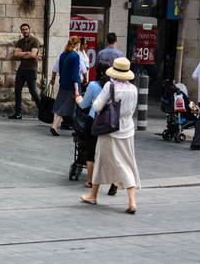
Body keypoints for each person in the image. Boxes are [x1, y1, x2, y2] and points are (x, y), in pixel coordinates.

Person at [80, 57, 141, 214]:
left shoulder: (110, 86)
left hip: (109, 129)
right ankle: (132, 200)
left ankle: (93, 195)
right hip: (127, 129)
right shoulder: (133, 89)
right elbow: (133, 109)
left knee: (100, 159)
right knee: (127, 162)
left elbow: (97, 106)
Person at [75, 59, 111, 189]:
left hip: (93, 120)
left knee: (91, 150)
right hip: (108, 122)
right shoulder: (113, 85)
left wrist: (79, 99)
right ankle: (113, 182)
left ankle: (90, 181)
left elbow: (84, 105)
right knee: (109, 152)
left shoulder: (93, 85)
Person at [50, 37, 87, 130]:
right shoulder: (76, 56)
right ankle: (75, 129)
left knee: (64, 105)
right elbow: (75, 74)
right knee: (76, 107)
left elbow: (57, 68)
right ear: (78, 44)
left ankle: (55, 126)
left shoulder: (63, 54)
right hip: (73, 86)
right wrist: (77, 89)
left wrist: (54, 78)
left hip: (63, 84)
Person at [8, 24, 41, 119]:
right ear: (21, 31)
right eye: (23, 30)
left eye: (26, 29)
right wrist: (27, 53)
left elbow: (33, 54)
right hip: (21, 69)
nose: (25, 31)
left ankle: (42, 111)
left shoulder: (35, 41)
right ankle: (18, 113)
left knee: (33, 91)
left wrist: (23, 54)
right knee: (17, 90)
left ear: (29, 30)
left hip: (31, 69)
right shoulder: (20, 42)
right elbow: (16, 54)